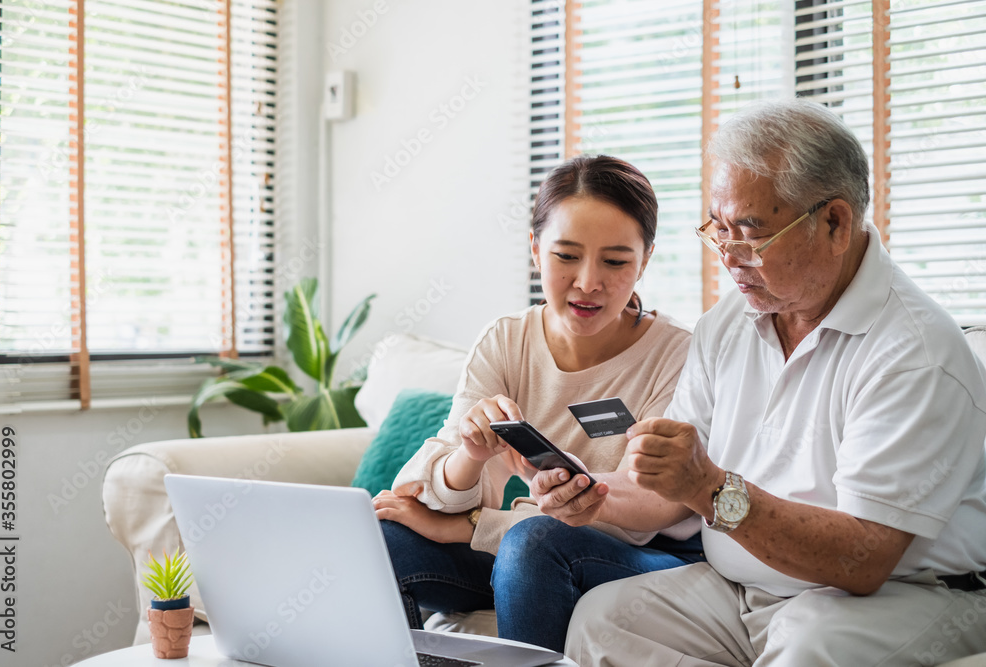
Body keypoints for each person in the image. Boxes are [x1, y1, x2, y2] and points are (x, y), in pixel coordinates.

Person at [540, 100, 986, 666]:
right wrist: (590, 497)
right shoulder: (726, 324)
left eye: (750, 234)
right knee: (604, 620)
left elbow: (864, 559)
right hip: (744, 590)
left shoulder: (914, 351)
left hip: (899, 596)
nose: (728, 256)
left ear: (834, 223)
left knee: (810, 646)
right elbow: (662, 491)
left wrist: (707, 487)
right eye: (717, 230)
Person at [372, 154, 704, 652]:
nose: (588, 282)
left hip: (642, 555)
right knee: (380, 541)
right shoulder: (506, 342)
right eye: (566, 256)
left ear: (646, 259)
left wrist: (469, 528)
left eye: (615, 261)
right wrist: (471, 453)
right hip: (526, 556)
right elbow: (426, 489)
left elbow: (653, 507)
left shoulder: (677, 353)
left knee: (534, 544)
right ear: (535, 249)